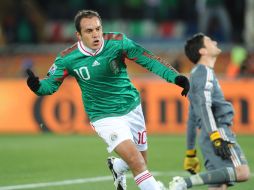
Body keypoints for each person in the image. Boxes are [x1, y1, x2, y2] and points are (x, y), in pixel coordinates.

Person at [26, 10, 190, 190]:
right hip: (104, 116)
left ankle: (117, 166)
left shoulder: (117, 42)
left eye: (98, 29)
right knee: (137, 162)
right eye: (89, 31)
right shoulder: (67, 59)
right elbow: (50, 85)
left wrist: (175, 77)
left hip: (132, 107)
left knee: (140, 160)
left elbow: (148, 59)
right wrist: (37, 86)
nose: (96, 34)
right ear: (78, 35)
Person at [169, 33, 250, 190]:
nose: (215, 41)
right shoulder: (203, 72)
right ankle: (184, 183)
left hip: (208, 135)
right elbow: (205, 106)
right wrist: (215, 135)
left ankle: (183, 184)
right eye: (209, 41)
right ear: (203, 51)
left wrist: (190, 152)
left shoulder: (197, 75)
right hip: (218, 131)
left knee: (218, 186)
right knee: (242, 172)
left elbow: (193, 116)